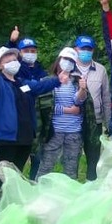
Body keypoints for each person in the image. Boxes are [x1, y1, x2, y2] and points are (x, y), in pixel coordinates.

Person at [0, 47, 62, 217]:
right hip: (7, 137)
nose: (11, 62)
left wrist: (58, 79)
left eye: (13, 59)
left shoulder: (23, 83)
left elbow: (39, 86)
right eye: (6, 60)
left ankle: (8, 207)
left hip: (25, 137)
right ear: (0, 66)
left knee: (15, 174)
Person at [7, 27, 52, 178]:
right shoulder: (17, 70)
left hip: (39, 122)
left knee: (37, 158)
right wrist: (12, 42)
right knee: (17, 158)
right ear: (19, 53)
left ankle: (33, 185)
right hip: (21, 120)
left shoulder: (42, 71)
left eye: (33, 50)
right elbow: (7, 60)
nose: (30, 53)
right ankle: (12, 185)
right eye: (26, 50)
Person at [37, 48, 87, 180]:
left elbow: (79, 101)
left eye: (71, 61)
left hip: (74, 132)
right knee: (46, 167)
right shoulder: (48, 80)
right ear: (59, 60)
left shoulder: (76, 81)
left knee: (71, 170)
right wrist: (69, 110)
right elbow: (46, 106)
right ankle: (39, 194)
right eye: (66, 59)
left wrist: (82, 89)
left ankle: (69, 197)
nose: (68, 63)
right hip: (54, 132)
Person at [73, 34, 112, 181]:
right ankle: (71, 188)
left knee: (94, 156)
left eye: (89, 49)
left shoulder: (101, 70)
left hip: (95, 121)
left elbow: (106, 97)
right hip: (73, 121)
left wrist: (108, 123)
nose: (86, 51)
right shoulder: (68, 68)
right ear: (76, 49)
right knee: (72, 156)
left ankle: (92, 187)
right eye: (83, 48)